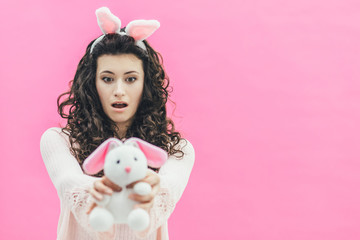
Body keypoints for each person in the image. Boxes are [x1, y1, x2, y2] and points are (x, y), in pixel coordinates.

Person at [40, 7, 195, 240]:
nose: (119, 91)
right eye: (107, 79)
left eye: (131, 79)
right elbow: (69, 184)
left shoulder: (178, 150)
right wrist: (96, 193)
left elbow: (165, 195)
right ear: (92, 84)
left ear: (146, 85)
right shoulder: (59, 140)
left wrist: (153, 191)